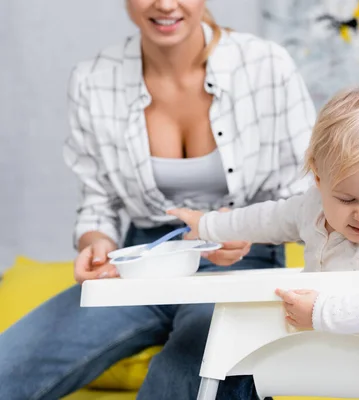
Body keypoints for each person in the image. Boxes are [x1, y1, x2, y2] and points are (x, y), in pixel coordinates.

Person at [0, 1, 315, 399]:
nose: (165, 5)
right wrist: (96, 244)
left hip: (243, 259)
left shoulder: (267, 66)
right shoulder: (93, 80)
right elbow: (100, 200)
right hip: (140, 260)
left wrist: (244, 229)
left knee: (187, 376)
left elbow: (307, 194)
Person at [168, 86, 359, 334]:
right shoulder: (312, 206)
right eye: (347, 200)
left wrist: (320, 312)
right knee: (226, 327)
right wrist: (206, 226)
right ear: (318, 178)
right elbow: (267, 220)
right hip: (319, 346)